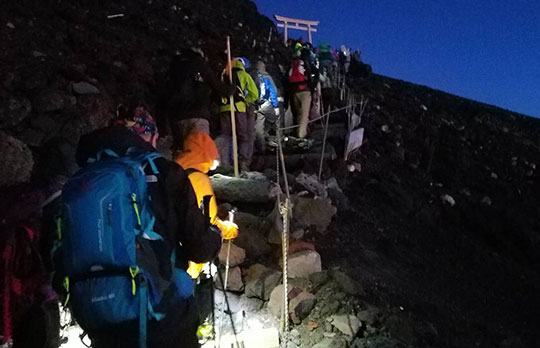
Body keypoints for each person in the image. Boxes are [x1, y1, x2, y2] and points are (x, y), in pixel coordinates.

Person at [64, 106, 222, 348]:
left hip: (97, 317)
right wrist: (215, 235)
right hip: (161, 316)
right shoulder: (164, 171)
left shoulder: (83, 178)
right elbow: (199, 247)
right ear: (151, 137)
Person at [175, 132, 238, 279]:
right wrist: (229, 230)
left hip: (171, 248)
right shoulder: (198, 179)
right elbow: (207, 223)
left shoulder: (174, 171)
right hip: (189, 255)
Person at [167, 49, 231, 152]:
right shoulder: (200, 65)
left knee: (182, 152)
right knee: (199, 152)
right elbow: (221, 89)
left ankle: (180, 167)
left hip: (177, 116)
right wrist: (231, 85)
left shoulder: (174, 68)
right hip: (198, 114)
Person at [218, 57, 259, 171]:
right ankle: (243, 162)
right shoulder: (243, 75)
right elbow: (254, 94)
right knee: (243, 137)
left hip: (224, 109)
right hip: (238, 109)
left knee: (225, 135)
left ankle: (224, 162)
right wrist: (246, 101)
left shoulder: (223, 74)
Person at [252, 60, 280, 153]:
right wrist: (275, 106)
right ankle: (272, 141)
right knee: (275, 120)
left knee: (257, 127)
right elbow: (273, 91)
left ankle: (260, 146)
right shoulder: (266, 76)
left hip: (253, 105)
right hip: (264, 104)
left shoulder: (251, 75)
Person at [288, 48, 313, 138]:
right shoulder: (306, 63)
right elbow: (311, 77)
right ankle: (301, 135)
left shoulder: (293, 63)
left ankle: (297, 132)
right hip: (305, 90)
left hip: (294, 90)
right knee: (304, 115)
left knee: (298, 113)